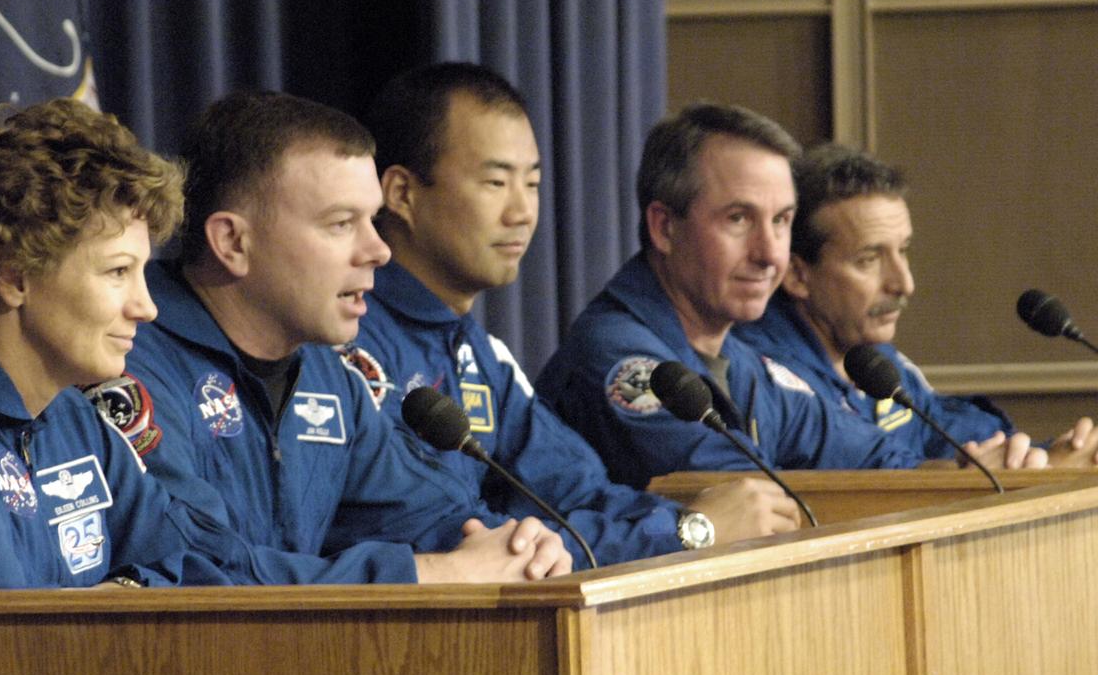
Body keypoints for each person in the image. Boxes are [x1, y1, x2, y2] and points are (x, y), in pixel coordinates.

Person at [96, 89, 570, 584]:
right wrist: (424, 573)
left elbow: (426, 513)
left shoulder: (325, 371)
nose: (378, 250)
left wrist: (519, 548)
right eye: (342, 224)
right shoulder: (129, 362)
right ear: (233, 242)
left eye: (372, 220)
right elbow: (200, 571)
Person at [342, 62, 798, 562]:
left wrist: (686, 526)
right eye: (496, 183)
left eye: (532, 185)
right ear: (404, 194)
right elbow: (463, 541)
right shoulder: (351, 341)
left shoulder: (476, 350)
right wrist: (688, 533)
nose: (521, 213)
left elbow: (578, 490)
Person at [535, 102, 1047, 491]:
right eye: (739, 219)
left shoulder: (739, 359)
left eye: (781, 221)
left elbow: (871, 458)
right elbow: (744, 496)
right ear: (665, 227)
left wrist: (966, 471)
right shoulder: (621, 362)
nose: (768, 254)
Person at [0, 98, 241, 588]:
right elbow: (4, 642)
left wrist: (128, 591)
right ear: (13, 276)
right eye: (117, 272)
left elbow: (199, 564)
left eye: (142, 272)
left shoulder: (72, 416)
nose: (146, 307)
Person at [734, 144, 1097, 463]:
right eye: (869, 259)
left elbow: (949, 433)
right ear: (797, 275)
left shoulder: (876, 359)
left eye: (903, 251)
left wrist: (1044, 455)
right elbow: (871, 477)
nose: (904, 283)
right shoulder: (762, 376)